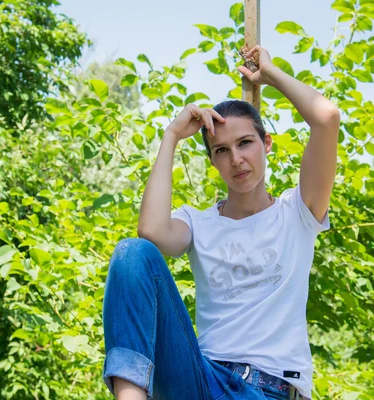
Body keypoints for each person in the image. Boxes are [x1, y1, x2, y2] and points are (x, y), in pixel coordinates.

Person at [102, 45, 340, 400]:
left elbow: (327, 118)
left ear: (266, 144)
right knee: (131, 253)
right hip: (201, 378)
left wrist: (270, 74)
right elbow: (150, 234)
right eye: (222, 151)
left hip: (269, 389)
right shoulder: (198, 223)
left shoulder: (298, 211)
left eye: (245, 143)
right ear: (213, 161)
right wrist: (172, 136)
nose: (237, 160)